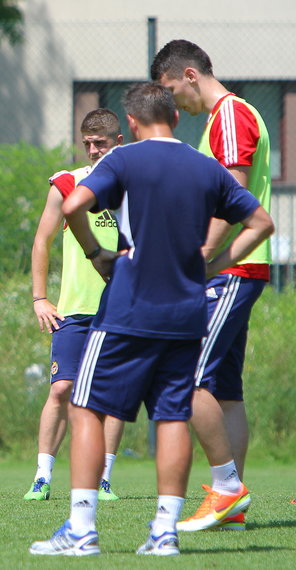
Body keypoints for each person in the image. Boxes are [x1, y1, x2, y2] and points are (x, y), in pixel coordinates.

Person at [29, 82, 273, 557]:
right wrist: (214, 265)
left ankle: (82, 529)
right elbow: (261, 222)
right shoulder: (206, 167)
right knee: (172, 416)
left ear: (133, 126)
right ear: (177, 120)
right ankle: (164, 532)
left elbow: (74, 203)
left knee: (85, 408)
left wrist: (96, 252)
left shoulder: (123, 160)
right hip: (186, 310)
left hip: (129, 306)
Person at [151, 39, 271, 532]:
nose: (171, 102)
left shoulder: (227, 114)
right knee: (224, 392)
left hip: (228, 269)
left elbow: (233, 192)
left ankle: (226, 488)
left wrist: (199, 257)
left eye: (170, 89)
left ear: (189, 74)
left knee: (188, 378)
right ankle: (233, 502)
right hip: (240, 267)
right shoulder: (233, 115)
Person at [27, 109, 125, 502]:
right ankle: (42, 476)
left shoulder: (135, 186)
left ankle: (103, 478)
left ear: (119, 142)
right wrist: (39, 298)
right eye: (86, 143)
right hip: (74, 309)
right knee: (61, 388)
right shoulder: (67, 184)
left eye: (100, 143)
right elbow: (41, 241)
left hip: (121, 308)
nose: (92, 150)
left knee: (114, 393)